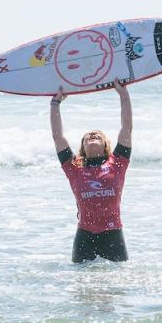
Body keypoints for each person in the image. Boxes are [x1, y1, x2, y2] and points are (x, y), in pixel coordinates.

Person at [50, 79, 132, 263]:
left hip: (113, 233)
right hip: (85, 235)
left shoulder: (117, 163)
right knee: (80, 286)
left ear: (105, 145)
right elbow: (58, 137)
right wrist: (55, 104)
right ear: (83, 148)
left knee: (119, 285)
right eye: (87, 137)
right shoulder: (75, 168)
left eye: (97, 136)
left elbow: (126, 128)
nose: (92, 136)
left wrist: (123, 94)